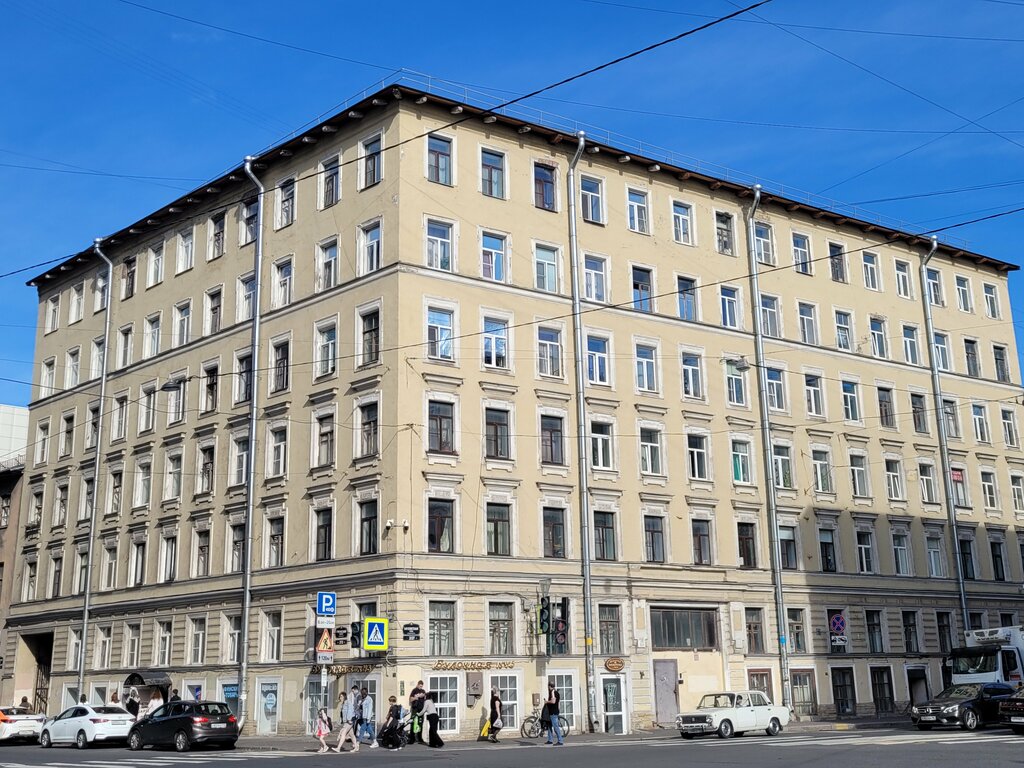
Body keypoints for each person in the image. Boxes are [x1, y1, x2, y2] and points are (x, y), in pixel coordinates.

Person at [545, 681, 564, 746]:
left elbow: (553, 701)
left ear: (549, 686)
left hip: (553, 712)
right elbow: (558, 703)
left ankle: (560, 740)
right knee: (549, 726)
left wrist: (547, 702)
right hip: (554, 711)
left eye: (548, 686)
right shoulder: (557, 692)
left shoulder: (552, 692)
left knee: (555, 727)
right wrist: (558, 710)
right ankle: (550, 740)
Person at [409, 680, 426, 744]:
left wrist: (423, 696)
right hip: (415, 709)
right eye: (420, 686)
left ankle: (420, 738)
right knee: (413, 722)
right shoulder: (414, 690)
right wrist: (416, 697)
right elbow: (410, 699)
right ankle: (412, 738)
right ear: (418, 684)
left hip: (421, 709)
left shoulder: (423, 691)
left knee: (420, 723)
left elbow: (425, 699)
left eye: (422, 686)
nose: (421, 687)